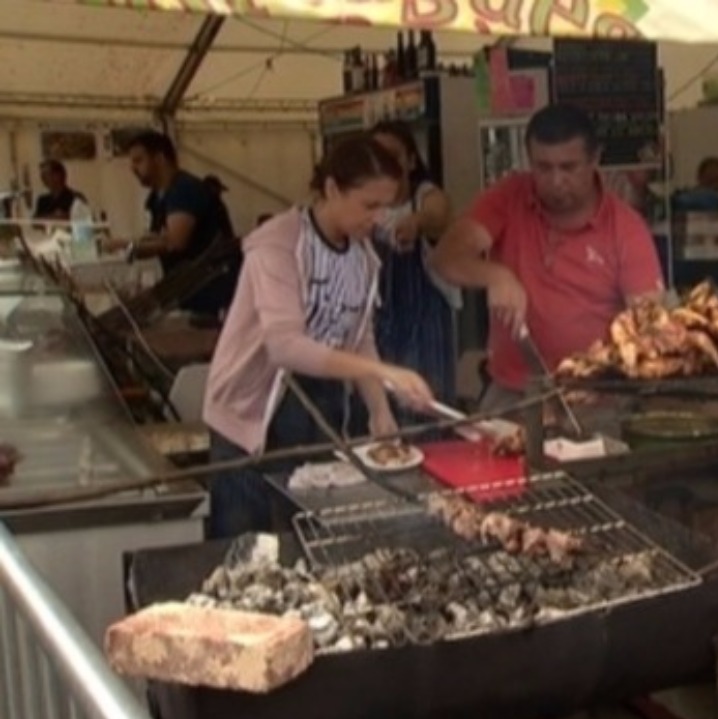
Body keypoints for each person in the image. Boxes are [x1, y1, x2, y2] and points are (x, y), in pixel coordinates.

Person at [202, 134, 435, 540]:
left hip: (316, 408)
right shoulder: (277, 245)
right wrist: (384, 371)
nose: (378, 218)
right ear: (331, 189)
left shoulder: (363, 256)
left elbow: (358, 335)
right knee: (245, 542)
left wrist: (379, 408)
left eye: (386, 206)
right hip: (251, 412)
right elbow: (285, 346)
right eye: (369, 205)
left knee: (308, 532)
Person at [430, 104, 664, 410]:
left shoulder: (626, 228)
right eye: (543, 167)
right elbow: (446, 257)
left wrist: (608, 378)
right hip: (512, 391)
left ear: (595, 160)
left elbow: (650, 325)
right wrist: (496, 275)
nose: (556, 181)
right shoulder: (509, 196)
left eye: (569, 168)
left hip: (597, 397)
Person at [367, 120, 457, 416]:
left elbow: (439, 214)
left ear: (410, 159)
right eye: (376, 156)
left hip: (426, 331)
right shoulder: (366, 207)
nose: (385, 164)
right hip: (379, 329)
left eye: (392, 155)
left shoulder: (426, 196)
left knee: (427, 413)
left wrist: (417, 222)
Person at [106, 131, 236, 320]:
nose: (132, 168)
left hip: (206, 289)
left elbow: (175, 242)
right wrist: (131, 242)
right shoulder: (157, 197)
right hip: (183, 286)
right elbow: (157, 235)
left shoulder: (184, 189)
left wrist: (130, 247)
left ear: (159, 158)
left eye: (138, 160)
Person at [203, 174, 238, 239]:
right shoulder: (217, 206)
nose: (219, 193)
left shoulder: (219, 206)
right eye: (217, 189)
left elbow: (227, 229)